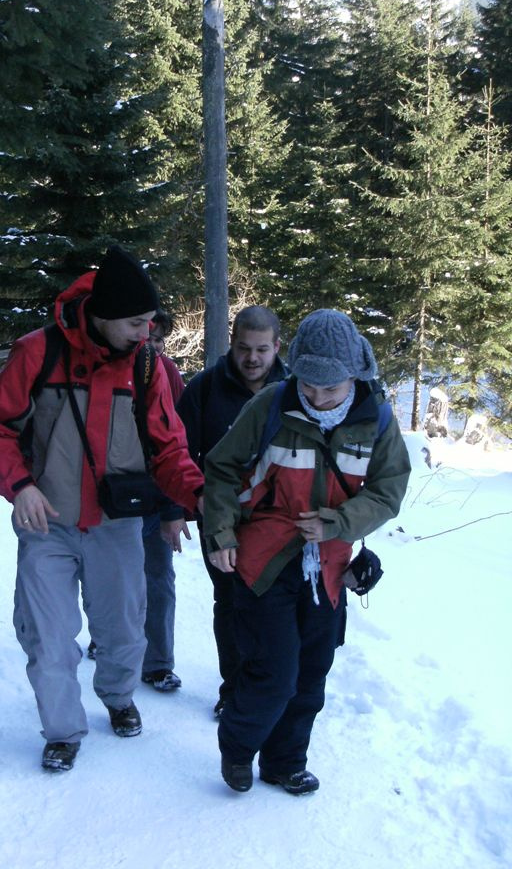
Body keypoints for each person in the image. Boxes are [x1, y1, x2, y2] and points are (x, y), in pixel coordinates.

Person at [0, 246, 204, 773]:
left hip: (117, 525)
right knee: (48, 638)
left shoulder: (149, 366)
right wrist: (21, 486)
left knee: (124, 629)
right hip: (45, 524)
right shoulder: (37, 353)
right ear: (102, 315)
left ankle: (119, 697)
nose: (144, 332)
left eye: (150, 322)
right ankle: (61, 731)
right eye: (135, 322)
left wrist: (201, 498)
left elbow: (170, 449)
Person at [203, 309, 411, 795]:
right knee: (273, 673)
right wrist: (221, 534)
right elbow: (221, 469)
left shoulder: (375, 419)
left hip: (330, 570)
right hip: (264, 563)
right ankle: (237, 749)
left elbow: (388, 492)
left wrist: (339, 523)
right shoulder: (272, 405)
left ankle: (284, 763)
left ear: (354, 377)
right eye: (309, 387)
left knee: (310, 677)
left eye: (330, 390)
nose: (317, 398)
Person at [176, 305, 288, 716]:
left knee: (275, 605)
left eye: (262, 349)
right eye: (244, 348)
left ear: (277, 347)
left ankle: (273, 687)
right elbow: (178, 452)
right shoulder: (205, 388)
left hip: (279, 520)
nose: (252, 358)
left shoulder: (296, 389)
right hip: (220, 515)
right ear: (232, 344)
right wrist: (176, 509)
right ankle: (234, 690)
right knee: (230, 602)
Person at [139, 310, 188, 692]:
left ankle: (157, 662)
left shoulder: (169, 374)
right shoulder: (111, 369)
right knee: (112, 578)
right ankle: (109, 639)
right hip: (111, 497)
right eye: (147, 338)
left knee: (158, 577)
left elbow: (179, 442)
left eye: (159, 341)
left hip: (157, 495)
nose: (153, 347)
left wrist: (175, 507)